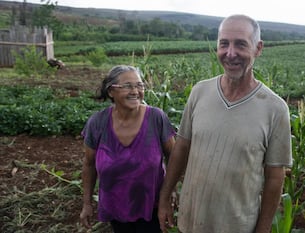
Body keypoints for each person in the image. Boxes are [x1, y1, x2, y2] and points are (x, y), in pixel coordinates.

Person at [158, 14, 292, 233]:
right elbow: (181, 148)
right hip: (190, 222)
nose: (230, 53)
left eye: (241, 44)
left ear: (258, 48)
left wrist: (263, 229)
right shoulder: (199, 91)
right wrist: (164, 198)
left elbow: (275, 178)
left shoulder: (275, 109)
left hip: (237, 226)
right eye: (224, 44)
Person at [80, 65, 176, 233]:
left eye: (139, 85)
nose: (135, 91)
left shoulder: (156, 118)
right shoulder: (97, 123)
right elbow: (89, 164)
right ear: (111, 91)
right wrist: (87, 203)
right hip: (116, 207)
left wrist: (169, 194)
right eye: (127, 86)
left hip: (152, 206)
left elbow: (174, 158)